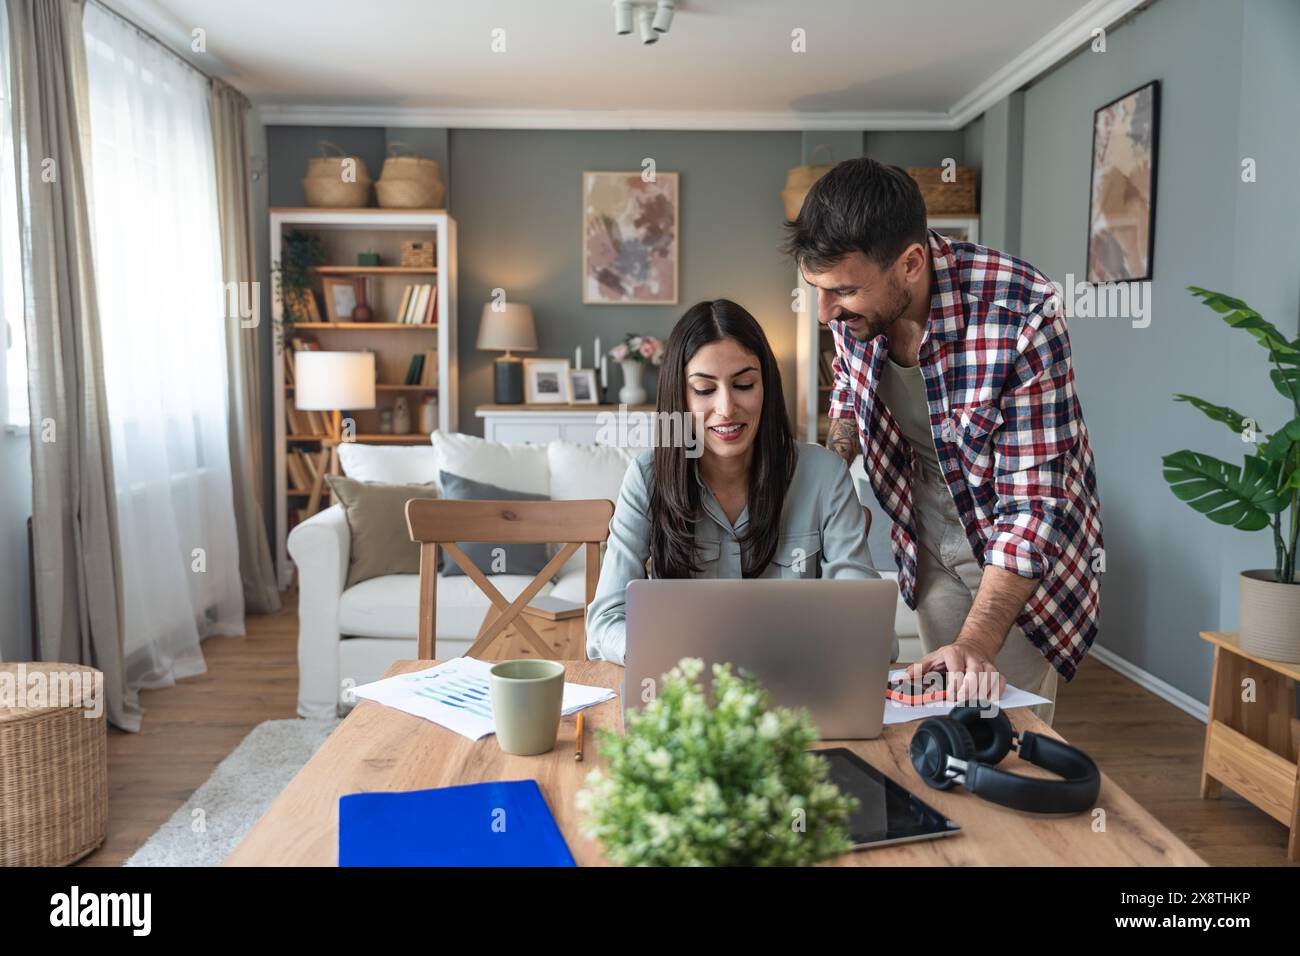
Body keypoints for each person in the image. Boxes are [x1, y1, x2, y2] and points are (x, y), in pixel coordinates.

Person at [785, 156, 1104, 727]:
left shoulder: (1021, 314)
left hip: (1015, 546)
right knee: (940, 717)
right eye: (817, 289)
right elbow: (847, 394)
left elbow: (1034, 508)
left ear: (910, 263)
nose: (825, 312)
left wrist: (978, 643)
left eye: (843, 292)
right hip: (927, 530)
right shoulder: (856, 313)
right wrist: (829, 478)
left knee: (1001, 732)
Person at [586, 298, 886, 665]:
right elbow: (604, 624)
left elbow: (872, 633)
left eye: (744, 384)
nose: (727, 408)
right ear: (678, 396)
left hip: (797, 691)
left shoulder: (825, 475)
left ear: (767, 387)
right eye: (704, 389)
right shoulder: (647, 478)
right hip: (687, 689)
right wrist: (669, 654)